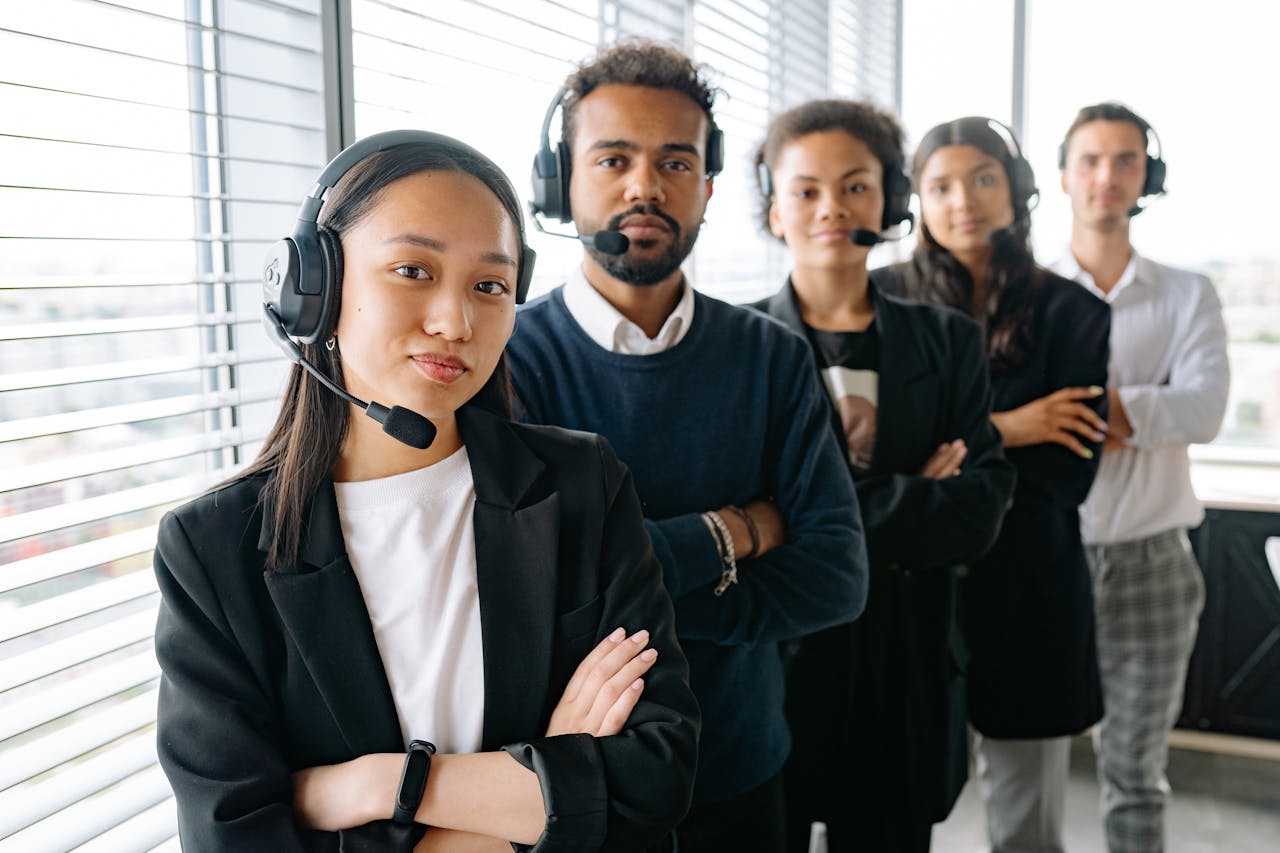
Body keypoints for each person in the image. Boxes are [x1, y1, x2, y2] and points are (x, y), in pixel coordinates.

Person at [153, 130, 700, 852]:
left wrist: (380, 785)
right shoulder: (214, 550)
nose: (455, 321)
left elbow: (655, 776)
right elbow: (240, 840)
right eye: (412, 269)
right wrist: (546, 774)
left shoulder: (580, 486)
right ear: (313, 288)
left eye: (489, 285)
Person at [506, 41, 868, 852]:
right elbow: (531, 602)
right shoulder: (507, 363)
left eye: (675, 161)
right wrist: (735, 533)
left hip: (741, 773)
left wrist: (620, 595)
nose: (645, 185)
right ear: (564, 182)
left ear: (706, 187)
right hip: (576, 789)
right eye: (614, 159)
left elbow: (837, 578)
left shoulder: (772, 354)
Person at [750, 99, 1017, 852]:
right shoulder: (733, 345)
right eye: (805, 190)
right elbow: (727, 512)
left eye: (856, 185)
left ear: (890, 202)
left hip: (910, 666)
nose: (831, 207)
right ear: (775, 211)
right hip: (779, 672)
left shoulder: (949, 342)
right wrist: (916, 493)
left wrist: (795, 514)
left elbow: (979, 509)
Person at [872, 116, 1110, 853]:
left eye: (982, 178)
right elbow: (875, 462)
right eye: (939, 185)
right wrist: (1012, 424)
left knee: (1026, 827)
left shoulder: (1074, 311)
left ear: (1018, 191)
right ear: (916, 199)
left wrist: (950, 450)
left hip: (1030, 585)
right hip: (899, 595)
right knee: (887, 811)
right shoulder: (877, 298)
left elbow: (1069, 470)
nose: (962, 200)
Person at [1052, 102, 1229, 853]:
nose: (1107, 176)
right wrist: (1140, 408)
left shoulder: (1188, 293)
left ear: (1146, 176)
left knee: (1134, 774)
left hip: (1154, 560)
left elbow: (1204, 409)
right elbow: (1005, 415)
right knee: (1021, 762)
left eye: (1126, 160)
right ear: (1063, 177)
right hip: (1045, 558)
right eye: (1090, 159)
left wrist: (1071, 416)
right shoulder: (1028, 291)